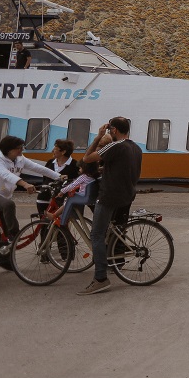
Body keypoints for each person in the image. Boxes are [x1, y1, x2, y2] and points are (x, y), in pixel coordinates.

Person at [78, 117, 142, 295]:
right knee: (113, 230)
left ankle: (100, 278)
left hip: (109, 196)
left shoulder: (115, 146)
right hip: (127, 195)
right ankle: (115, 260)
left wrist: (98, 137)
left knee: (96, 235)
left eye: (109, 130)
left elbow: (87, 159)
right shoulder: (136, 148)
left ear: (113, 130)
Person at [0, 136, 63, 268]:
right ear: (8, 150)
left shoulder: (20, 159)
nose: (21, 150)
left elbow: (38, 168)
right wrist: (24, 184)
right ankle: (15, 234)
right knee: (9, 205)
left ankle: (4, 260)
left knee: (5, 225)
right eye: (18, 148)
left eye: (21, 148)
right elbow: (7, 175)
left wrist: (59, 176)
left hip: (3, 199)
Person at [37, 139, 80, 221]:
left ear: (63, 152)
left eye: (55, 149)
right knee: (44, 223)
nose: (52, 150)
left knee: (60, 224)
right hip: (44, 197)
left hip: (62, 200)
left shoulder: (75, 165)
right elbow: (45, 178)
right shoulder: (50, 162)